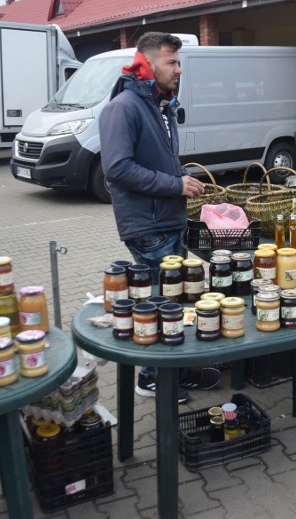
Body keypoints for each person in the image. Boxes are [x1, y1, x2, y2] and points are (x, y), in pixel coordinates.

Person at [99, 32, 221, 403]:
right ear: (148, 63)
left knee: (177, 299)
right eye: (171, 62)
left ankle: (176, 369)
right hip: (147, 225)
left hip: (167, 219)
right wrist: (174, 184)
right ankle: (151, 377)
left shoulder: (158, 105)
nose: (178, 70)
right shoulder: (123, 107)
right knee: (165, 304)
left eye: (179, 62)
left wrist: (181, 178)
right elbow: (117, 169)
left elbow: (157, 160)